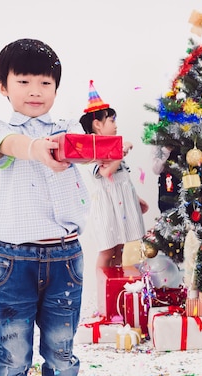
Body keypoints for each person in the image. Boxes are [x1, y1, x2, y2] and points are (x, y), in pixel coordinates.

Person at [0, 39, 95, 376]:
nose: (34, 89)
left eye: (44, 82)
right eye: (23, 80)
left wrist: (98, 152)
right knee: (13, 354)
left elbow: (87, 148)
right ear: (4, 86)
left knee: (62, 351)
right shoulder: (0, 130)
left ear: (55, 87)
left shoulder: (67, 128)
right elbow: (11, 147)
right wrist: (37, 150)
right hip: (14, 261)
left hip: (66, 258)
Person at [79, 81, 148, 287]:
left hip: (123, 206)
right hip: (108, 208)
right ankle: (103, 288)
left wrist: (136, 199)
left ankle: (118, 288)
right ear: (98, 124)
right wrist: (121, 149)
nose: (115, 124)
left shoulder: (112, 148)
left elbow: (123, 179)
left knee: (122, 249)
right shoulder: (94, 151)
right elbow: (106, 172)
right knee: (108, 249)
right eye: (111, 120)